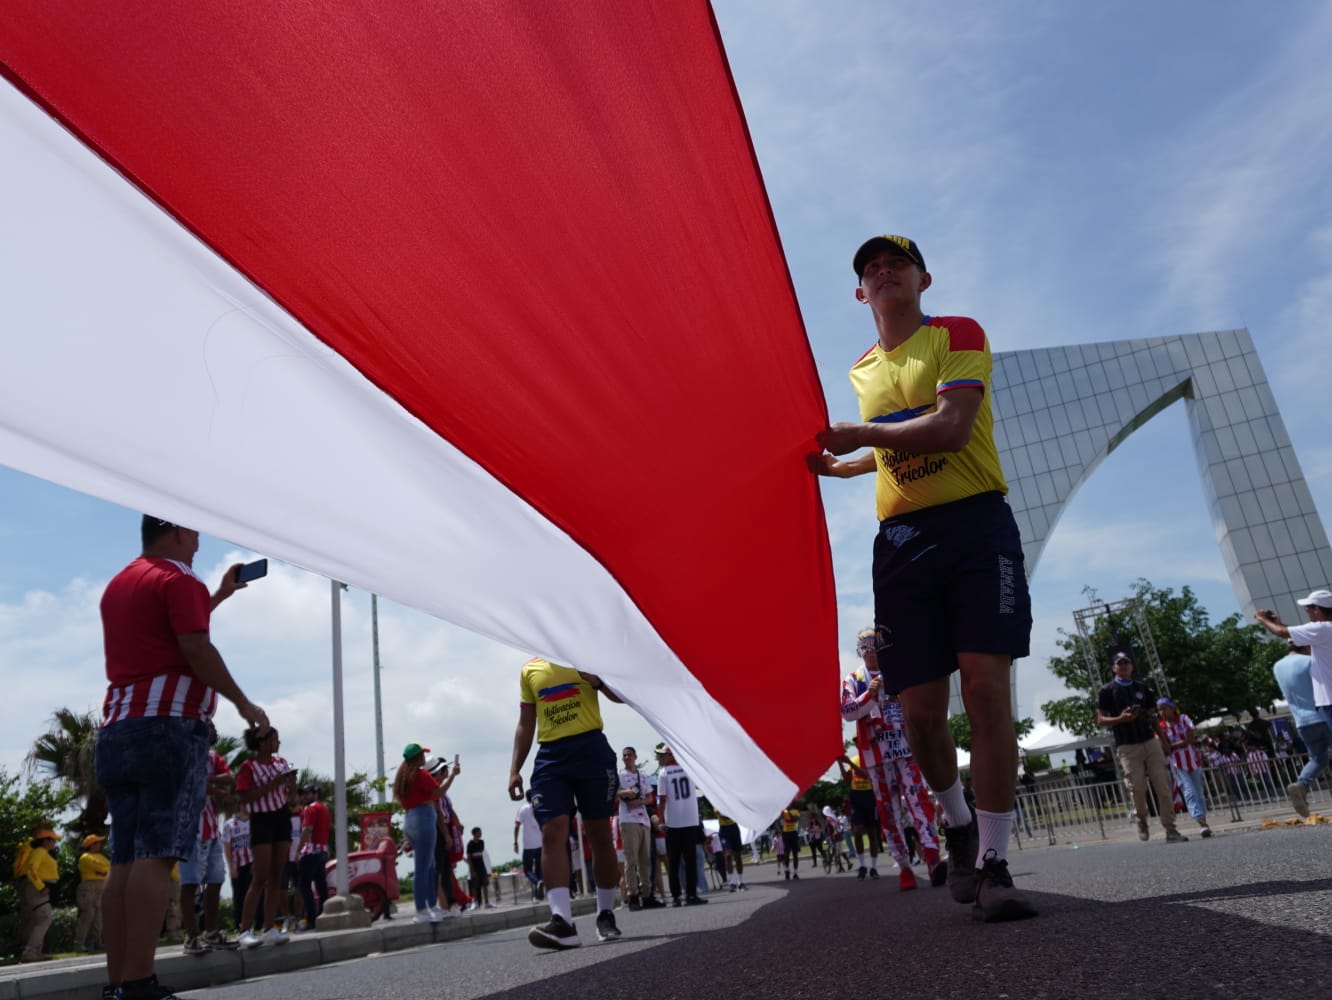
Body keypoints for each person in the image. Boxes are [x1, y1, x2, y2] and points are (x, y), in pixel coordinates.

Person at [811, 235, 1035, 922]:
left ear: (922, 278)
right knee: (919, 714)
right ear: (859, 294)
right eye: (870, 268)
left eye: (895, 263)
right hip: (901, 544)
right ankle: (958, 822)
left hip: (975, 527)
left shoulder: (956, 333)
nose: (882, 271)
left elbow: (950, 429)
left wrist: (861, 438)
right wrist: (841, 467)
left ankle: (995, 863)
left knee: (987, 689)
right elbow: (887, 447)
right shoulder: (859, 369)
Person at [95, 515, 268, 1000]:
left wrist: (217, 597)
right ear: (174, 531)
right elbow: (193, 644)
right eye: (194, 532)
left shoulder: (120, 583)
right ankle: (139, 982)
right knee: (156, 855)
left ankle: (119, 985)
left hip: (118, 727)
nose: (198, 541)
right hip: (169, 727)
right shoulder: (179, 578)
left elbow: (164, 636)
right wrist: (243, 703)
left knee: (124, 859)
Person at [507, 656, 624, 948]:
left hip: (591, 749)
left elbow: (621, 696)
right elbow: (526, 722)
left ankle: (606, 912)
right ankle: (563, 922)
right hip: (551, 757)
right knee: (552, 831)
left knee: (598, 834)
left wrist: (598, 681)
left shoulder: (584, 652)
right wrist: (514, 770)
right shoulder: (529, 670)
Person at [840, 628, 946, 890]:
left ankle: (932, 857)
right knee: (888, 811)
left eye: (875, 648)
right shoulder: (853, 679)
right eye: (867, 649)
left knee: (918, 800)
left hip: (905, 747)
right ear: (861, 652)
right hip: (876, 754)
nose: (872, 653)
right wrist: (870, 694)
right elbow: (847, 711)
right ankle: (904, 866)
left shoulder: (898, 669)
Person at [1096, 653, 1186, 844]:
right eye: (1119, 663)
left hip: (1148, 741)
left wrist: (1164, 741)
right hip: (1127, 745)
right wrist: (1121, 718)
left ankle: (1170, 828)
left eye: (1126, 662)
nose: (1123, 666)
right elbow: (1101, 719)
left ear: (1131, 666)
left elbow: (1154, 717)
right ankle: (1141, 819)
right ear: (1113, 668)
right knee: (1137, 787)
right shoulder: (1107, 690)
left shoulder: (1142, 688)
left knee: (1162, 784)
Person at [234, 726, 298, 946]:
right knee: (260, 876)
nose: (277, 744)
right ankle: (243, 929)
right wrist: (273, 784)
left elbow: (292, 797)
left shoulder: (281, 763)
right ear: (261, 742)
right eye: (274, 739)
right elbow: (244, 797)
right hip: (261, 819)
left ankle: (269, 926)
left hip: (281, 817)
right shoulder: (248, 767)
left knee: (276, 876)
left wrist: (291, 786)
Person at [180, 729, 239, 954]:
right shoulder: (183, 755)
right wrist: (217, 789)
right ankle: (191, 936)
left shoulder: (212, 757)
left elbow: (229, 778)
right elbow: (191, 783)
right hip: (189, 830)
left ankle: (211, 932)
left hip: (211, 829)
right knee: (190, 884)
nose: (213, 731)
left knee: (215, 881)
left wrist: (209, 781)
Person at [1270, 641, 1331, 816]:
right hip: (1323, 715)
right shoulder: (1310, 661)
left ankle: (1302, 784)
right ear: (1305, 647)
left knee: (1318, 759)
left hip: (1302, 721)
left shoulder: (1277, 666)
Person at [1256, 590, 1332, 722]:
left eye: (1308, 608)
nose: (1307, 612)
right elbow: (1293, 632)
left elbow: (1281, 632)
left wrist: (1262, 618)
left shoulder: (1322, 629)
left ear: (1317, 609)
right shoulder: (1324, 630)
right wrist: (1278, 623)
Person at [394, 743, 448, 923]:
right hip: (424, 817)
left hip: (410, 819)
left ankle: (432, 907)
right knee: (424, 867)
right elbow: (439, 791)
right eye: (423, 755)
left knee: (428, 865)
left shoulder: (403, 777)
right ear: (418, 758)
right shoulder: (421, 774)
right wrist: (453, 776)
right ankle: (422, 910)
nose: (425, 758)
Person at [655, 744, 708, 907]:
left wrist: (661, 819)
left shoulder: (663, 773)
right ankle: (691, 894)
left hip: (673, 822)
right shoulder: (689, 769)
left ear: (671, 755)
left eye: (664, 755)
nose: (663, 758)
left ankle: (677, 896)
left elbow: (662, 799)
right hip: (690, 820)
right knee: (690, 860)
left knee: (674, 862)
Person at [1156, 699, 1212, 838]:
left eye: (1164, 708)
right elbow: (1163, 746)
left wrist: (1172, 745)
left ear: (1172, 708)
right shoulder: (1161, 726)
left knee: (1199, 792)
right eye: (1159, 709)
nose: (1162, 712)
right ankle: (1201, 822)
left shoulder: (1183, 718)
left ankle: (1204, 820)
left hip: (1193, 760)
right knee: (1189, 791)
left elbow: (1190, 739)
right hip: (1177, 764)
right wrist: (1178, 744)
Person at [616, 746, 662, 910]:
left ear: (635, 757)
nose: (626, 758)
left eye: (629, 755)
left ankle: (647, 894)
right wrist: (626, 792)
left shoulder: (642, 776)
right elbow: (615, 793)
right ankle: (633, 895)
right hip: (628, 820)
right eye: (624, 756)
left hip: (644, 820)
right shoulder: (620, 775)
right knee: (631, 859)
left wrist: (640, 802)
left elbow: (650, 797)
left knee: (645, 860)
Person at [15, 829, 59, 962]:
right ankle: (30, 951)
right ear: (45, 841)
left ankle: (35, 952)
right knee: (45, 917)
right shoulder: (39, 852)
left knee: (39, 920)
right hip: (38, 889)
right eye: (53, 840)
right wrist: (41, 887)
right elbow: (31, 869)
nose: (55, 843)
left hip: (41, 888)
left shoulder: (43, 852)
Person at [426, 755, 463, 913]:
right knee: (439, 869)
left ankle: (450, 903)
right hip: (437, 830)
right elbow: (438, 813)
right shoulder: (434, 789)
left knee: (445, 868)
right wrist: (446, 835)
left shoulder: (441, 790)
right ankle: (438, 904)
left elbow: (446, 810)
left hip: (444, 828)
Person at [296, 783, 331, 929]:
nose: (304, 796)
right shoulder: (324, 809)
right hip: (322, 850)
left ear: (314, 794)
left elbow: (307, 830)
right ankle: (323, 915)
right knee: (321, 885)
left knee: (304, 886)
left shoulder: (310, 809)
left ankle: (311, 919)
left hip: (310, 852)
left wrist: (298, 849)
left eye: (306, 793)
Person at [220, 807, 252, 931]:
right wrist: (230, 866)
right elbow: (227, 847)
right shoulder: (229, 824)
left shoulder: (253, 821)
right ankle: (239, 925)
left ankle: (257, 923)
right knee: (239, 897)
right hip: (237, 865)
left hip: (251, 863)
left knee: (255, 894)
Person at [77, 833, 110, 952]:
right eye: (97, 842)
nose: (100, 844)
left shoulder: (101, 857)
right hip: (89, 887)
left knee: (98, 916)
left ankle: (96, 942)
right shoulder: (85, 857)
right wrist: (104, 871)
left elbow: (109, 869)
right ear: (91, 845)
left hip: (101, 886)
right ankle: (80, 943)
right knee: (87, 915)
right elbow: (102, 869)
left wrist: (105, 872)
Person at [513, 790, 544, 901]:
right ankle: (537, 895)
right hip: (540, 843)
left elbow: (517, 826)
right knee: (539, 870)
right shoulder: (539, 807)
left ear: (526, 797)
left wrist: (515, 842)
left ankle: (538, 883)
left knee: (527, 870)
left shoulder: (522, 809)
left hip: (529, 845)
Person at [716, 811, 747, 890]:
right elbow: (722, 815)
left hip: (734, 828)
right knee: (728, 855)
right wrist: (734, 814)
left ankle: (741, 881)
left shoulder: (731, 801)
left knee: (738, 856)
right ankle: (732, 882)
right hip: (724, 830)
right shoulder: (717, 803)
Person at [465, 827, 493, 909]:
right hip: (474, 867)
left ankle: (487, 902)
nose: (480, 834)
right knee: (475, 885)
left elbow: (481, 853)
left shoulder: (481, 842)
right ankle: (475, 902)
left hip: (482, 866)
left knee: (485, 884)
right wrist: (472, 870)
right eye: (478, 832)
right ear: (474, 833)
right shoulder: (470, 844)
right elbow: (469, 857)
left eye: (480, 832)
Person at [777, 804, 802, 880]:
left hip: (793, 833)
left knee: (795, 854)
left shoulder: (795, 811)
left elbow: (795, 819)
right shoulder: (783, 811)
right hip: (785, 834)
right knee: (786, 854)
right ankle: (786, 871)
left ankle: (795, 873)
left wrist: (788, 812)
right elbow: (777, 819)